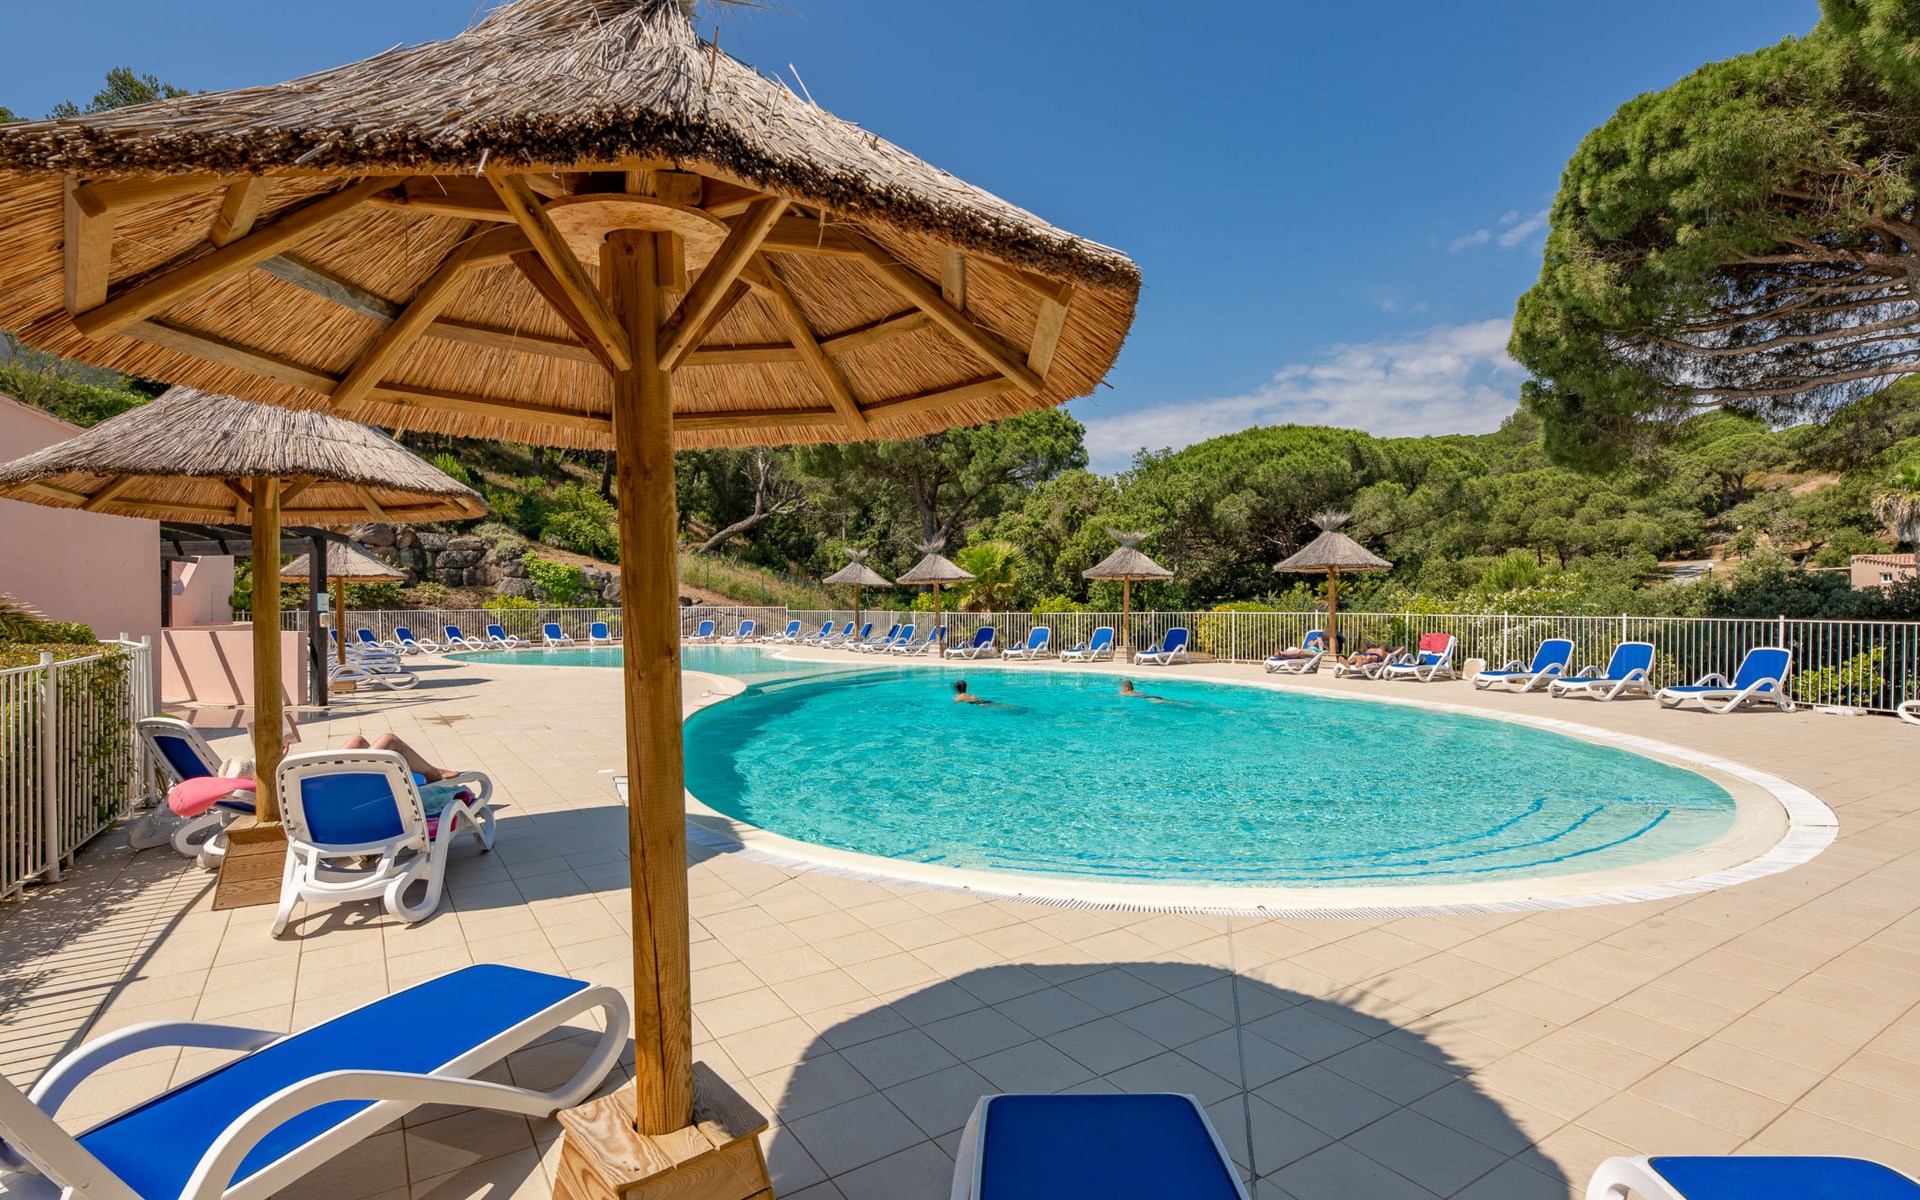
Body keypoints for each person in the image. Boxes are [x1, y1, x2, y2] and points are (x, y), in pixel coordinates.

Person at [340, 732, 464, 781]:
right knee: (390, 740)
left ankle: (378, 773)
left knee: (358, 742)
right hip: (347, 794)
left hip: (333, 786)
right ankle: (433, 773)